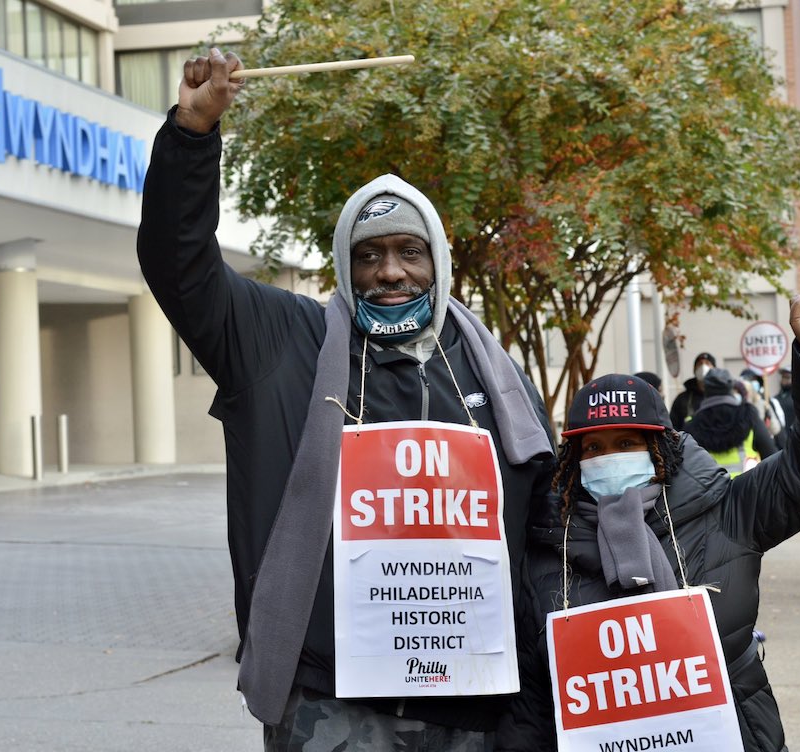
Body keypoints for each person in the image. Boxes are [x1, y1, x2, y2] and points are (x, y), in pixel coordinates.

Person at [136, 48, 557, 750]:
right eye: (367, 255)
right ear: (343, 265)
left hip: (475, 705)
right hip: (329, 703)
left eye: (407, 252)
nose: (388, 272)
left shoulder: (494, 378)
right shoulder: (281, 344)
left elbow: (547, 533)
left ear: (437, 264)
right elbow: (179, 268)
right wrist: (191, 134)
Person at [518, 292, 800, 751]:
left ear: (663, 449)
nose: (608, 459)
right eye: (593, 449)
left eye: (626, 443)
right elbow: (530, 709)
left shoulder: (727, 512)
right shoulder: (546, 548)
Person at [684, 367, 777, 476]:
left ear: (705, 389)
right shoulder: (748, 416)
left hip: (709, 491)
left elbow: (685, 468)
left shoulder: (692, 425)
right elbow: (771, 455)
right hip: (746, 489)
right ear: (731, 387)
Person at [668, 351, 716, 427]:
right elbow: (673, 427)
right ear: (694, 369)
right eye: (700, 364)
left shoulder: (721, 396)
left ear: (714, 369)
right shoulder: (682, 399)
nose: (703, 367)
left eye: (707, 363)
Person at [774, 364, 795, 430]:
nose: (784, 380)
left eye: (787, 377)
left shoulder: (797, 399)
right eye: (783, 377)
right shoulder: (776, 398)